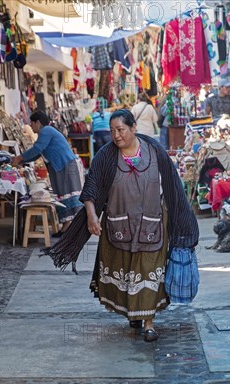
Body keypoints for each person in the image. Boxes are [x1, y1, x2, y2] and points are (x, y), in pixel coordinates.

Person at [44, 109, 199, 342]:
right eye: (113, 130)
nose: (116, 135)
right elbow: (92, 187)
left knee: (148, 271)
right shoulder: (106, 155)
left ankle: (148, 323)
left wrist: (181, 221)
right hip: (118, 226)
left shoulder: (154, 151)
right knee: (126, 272)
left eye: (121, 130)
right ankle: (133, 314)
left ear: (133, 128)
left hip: (152, 225)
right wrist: (91, 216)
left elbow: (172, 184)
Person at [12, 111, 83, 231]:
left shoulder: (46, 131)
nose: (31, 126)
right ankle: (67, 225)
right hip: (60, 166)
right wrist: (21, 160)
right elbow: (38, 153)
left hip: (65, 164)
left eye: (32, 123)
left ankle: (70, 226)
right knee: (61, 193)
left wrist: (19, 158)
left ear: (38, 123)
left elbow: (37, 149)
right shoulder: (45, 133)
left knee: (66, 194)